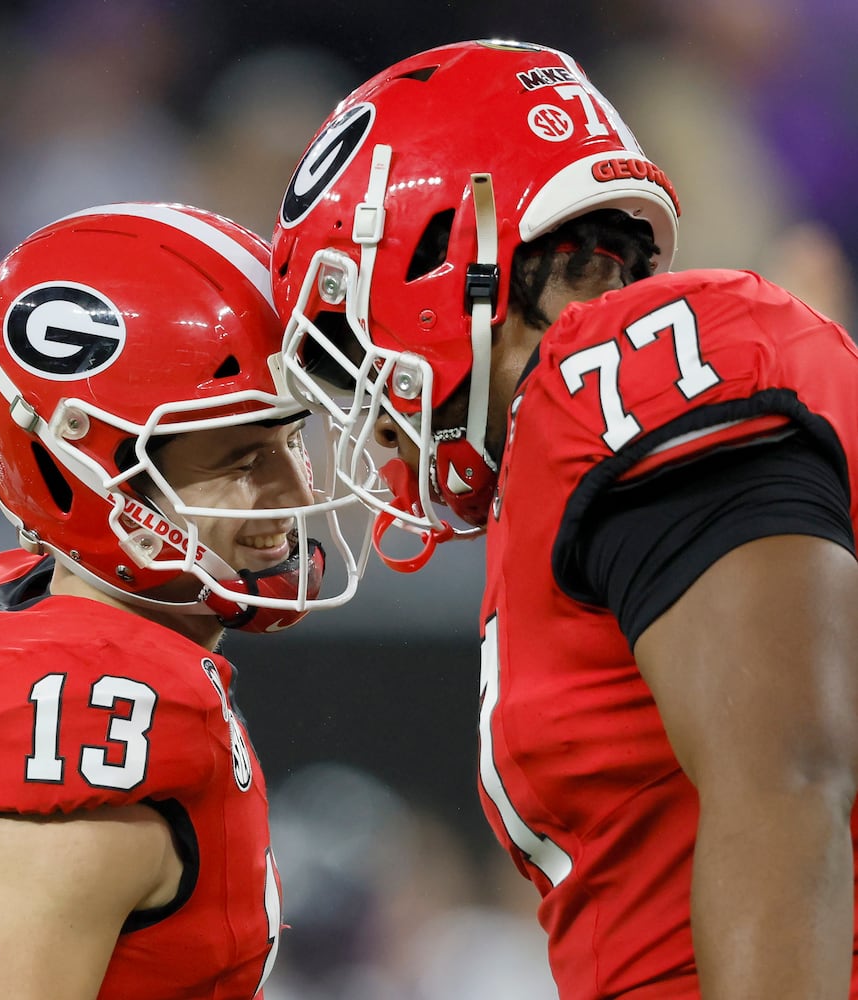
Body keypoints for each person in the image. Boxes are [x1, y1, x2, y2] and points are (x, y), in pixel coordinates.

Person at [270, 39, 858, 999]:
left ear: (433, 258)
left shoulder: (624, 371)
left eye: (350, 345)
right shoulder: (571, 430)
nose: (368, 407)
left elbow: (787, 782)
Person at [0, 202, 366, 999]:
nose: (295, 490)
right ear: (83, 469)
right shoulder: (98, 713)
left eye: (290, 437)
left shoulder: (13, 602)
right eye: (240, 457)